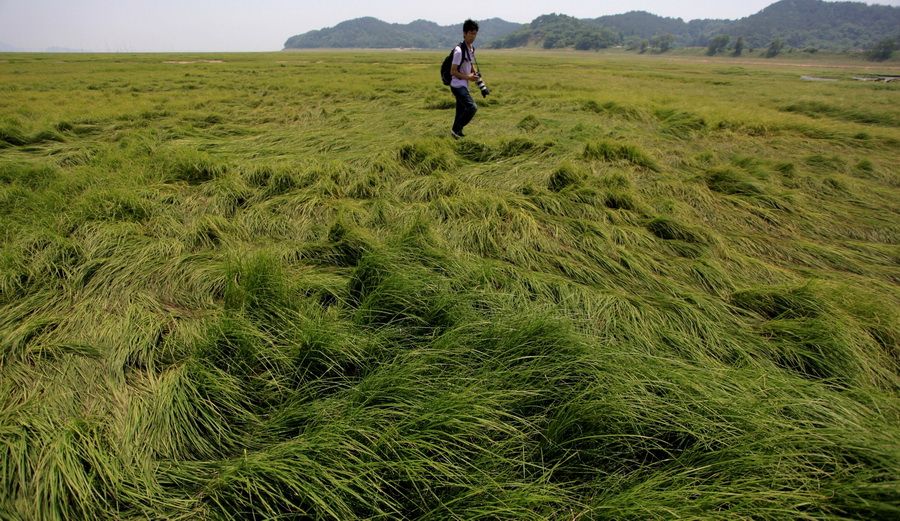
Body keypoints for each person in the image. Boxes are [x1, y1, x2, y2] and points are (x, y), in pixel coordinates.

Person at [449, 19, 479, 139]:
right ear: (464, 33)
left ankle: (456, 134)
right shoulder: (458, 51)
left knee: (460, 111)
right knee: (472, 107)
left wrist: (474, 73)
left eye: (475, 34)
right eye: (471, 33)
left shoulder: (471, 48)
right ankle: (456, 129)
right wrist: (468, 77)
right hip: (457, 85)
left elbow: (469, 64)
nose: (473, 36)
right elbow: (453, 71)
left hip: (464, 84)